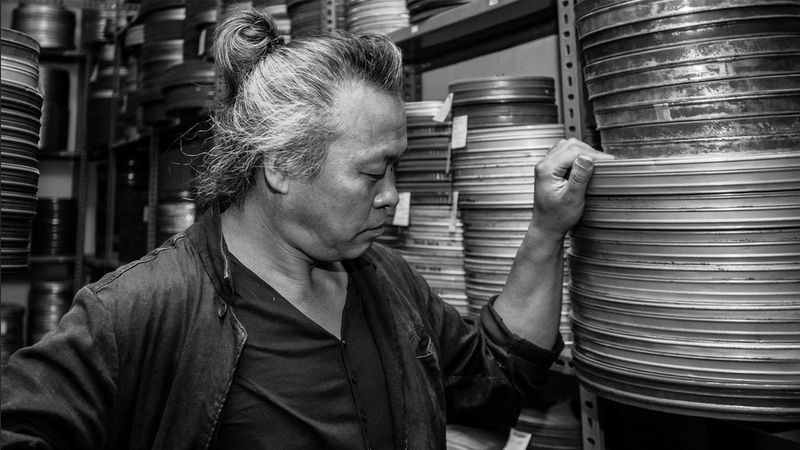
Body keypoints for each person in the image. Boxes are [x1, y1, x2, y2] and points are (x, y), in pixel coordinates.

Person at [1, 8, 612, 450]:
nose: (393, 197)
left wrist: (546, 227)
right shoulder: (139, 308)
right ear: (283, 166)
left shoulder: (388, 282)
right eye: (372, 173)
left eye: (395, 167)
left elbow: (499, 378)